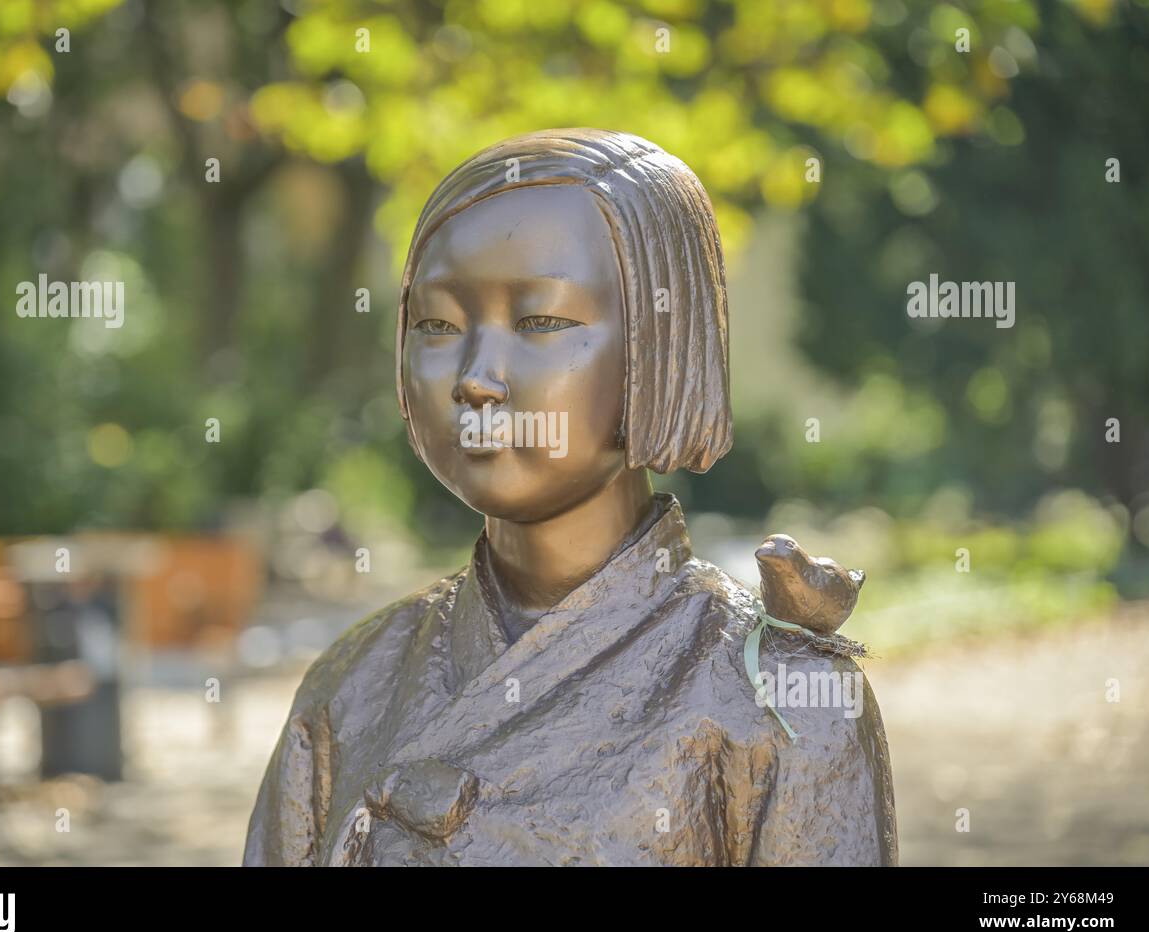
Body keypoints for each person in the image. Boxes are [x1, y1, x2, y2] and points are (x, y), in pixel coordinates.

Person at [244, 129, 897, 865]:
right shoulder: (351, 683)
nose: (476, 377)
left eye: (541, 322)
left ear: (664, 342)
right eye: (437, 324)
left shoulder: (781, 698)